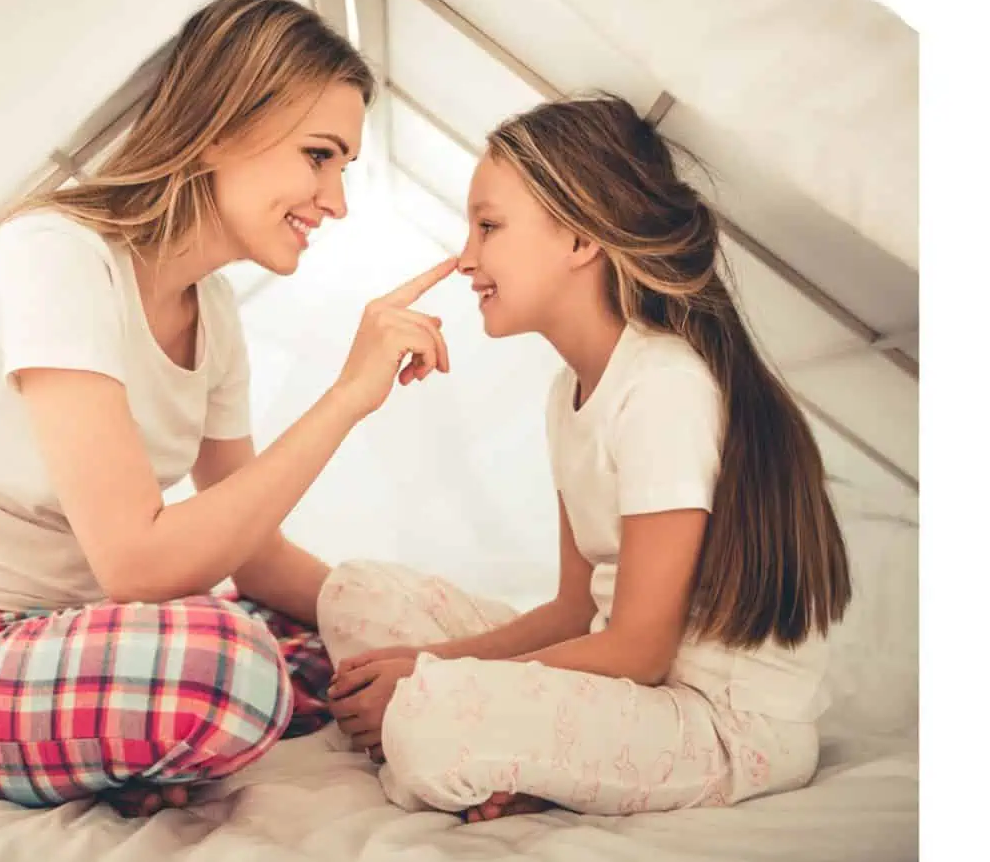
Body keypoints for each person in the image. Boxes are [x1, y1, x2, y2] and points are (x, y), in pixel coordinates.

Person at [0, 0, 459, 817]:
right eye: (319, 155)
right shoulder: (57, 259)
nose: (337, 200)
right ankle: (157, 745)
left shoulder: (216, 314)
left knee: (342, 657)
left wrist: (424, 643)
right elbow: (139, 563)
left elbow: (256, 557)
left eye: (342, 166)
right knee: (235, 669)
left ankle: (150, 750)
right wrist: (347, 397)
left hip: (69, 639)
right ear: (224, 127)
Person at [318, 93, 854, 823]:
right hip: (624, 680)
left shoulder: (664, 386)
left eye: (488, 226)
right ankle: (530, 759)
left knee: (425, 720)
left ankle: (517, 757)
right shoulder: (569, 391)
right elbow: (577, 609)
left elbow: (638, 649)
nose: (465, 258)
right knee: (352, 595)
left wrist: (434, 678)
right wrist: (427, 667)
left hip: (718, 727)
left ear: (579, 239)